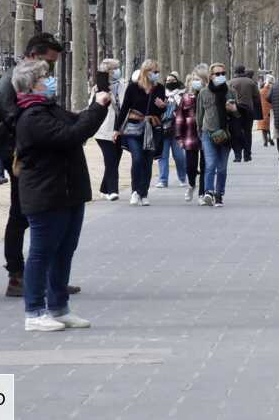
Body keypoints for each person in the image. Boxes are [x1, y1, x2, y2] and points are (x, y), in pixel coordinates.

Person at [12, 59, 111, 331]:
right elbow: (72, 134)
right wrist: (96, 106)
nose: (50, 80)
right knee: (41, 253)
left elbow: (80, 122)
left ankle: (58, 306)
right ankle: (34, 311)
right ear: (32, 85)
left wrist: (98, 98)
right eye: (45, 77)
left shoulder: (49, 109)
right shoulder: (33, 117)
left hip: (67, 192)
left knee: (64, 251)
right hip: (46, 193)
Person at [0, 33, 72, 298]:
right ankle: (17, 275)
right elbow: (15, 120)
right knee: (22, 214)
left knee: (40, 214)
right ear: (34, 55)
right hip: (20, 155)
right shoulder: (10, 82)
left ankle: (48, 274)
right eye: (48, 63)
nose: (50, 71)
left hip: (31, 153)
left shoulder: (22, 80)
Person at [115, 59, 167, 206]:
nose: (156, 75)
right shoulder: (133, 88)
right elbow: (125, 108)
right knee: (137, 158)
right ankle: (135, 191)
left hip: (152, 128)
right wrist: (117, 129)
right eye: (154, 72)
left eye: (158, 72)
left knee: (148, 161)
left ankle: (144, 193)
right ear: (146, 72)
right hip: (133, 128)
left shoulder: (159, 88)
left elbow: (161, 112)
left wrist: (163, 107)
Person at [196, 63, 240, 206]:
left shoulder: (231, 91)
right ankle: (208, 192)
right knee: (210, 164)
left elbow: (239, 114)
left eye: (223, 73)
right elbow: (199, 114)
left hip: (226, 134)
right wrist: (200, 130)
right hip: (208, 133)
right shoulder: (203, 92)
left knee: (221, 168)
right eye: (217, 74)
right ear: (211, 76)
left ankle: (219, 194)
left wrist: (233, 109)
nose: (221, 76)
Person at [91, 59, 124, 201]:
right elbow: (92, 107)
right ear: (107, 72)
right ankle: (112, 190)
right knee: (110, 160)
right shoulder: (98, 88)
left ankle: (104, 188)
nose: (117, 71)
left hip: (120, 128)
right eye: (114, 69)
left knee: (115, 159)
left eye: (117, 68)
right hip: (104, 130)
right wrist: (106, 95)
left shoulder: (123, 85)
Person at [176, 71, 203, 203]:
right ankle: (191, 184)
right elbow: (179, 118)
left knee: (206, 166)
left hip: (205, 136)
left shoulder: (206, 95)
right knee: (190, 165)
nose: (196, 82)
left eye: (199, 79)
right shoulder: (186, 97)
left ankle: (203, 193)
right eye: (194, 79)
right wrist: (179, 137)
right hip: (189, 135)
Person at [156, 73, 187, 188]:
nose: (170, 82)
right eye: (168, 80)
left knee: (179, 156)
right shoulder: (161, 94)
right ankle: (163, 180)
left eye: (173, 80)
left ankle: (182, 178)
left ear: (177, 81)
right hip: (163, 129)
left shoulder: (183, 94)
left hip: (177, 130)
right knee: (162, 156)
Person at [227, 65, 261, 162]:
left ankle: (237, 155)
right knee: (247, 132)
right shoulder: (251, 82)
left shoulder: (230, 82)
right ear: (244, 71)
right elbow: (257, 96)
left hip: (234, 109)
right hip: (248, 110)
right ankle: (247, 154)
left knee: (236, 132)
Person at [257, 76, 273, 147]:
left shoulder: (260, 91)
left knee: (263, 127)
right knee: (270, 125)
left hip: (261, 110)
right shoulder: (272, 91)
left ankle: (265, 140)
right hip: (270, 110)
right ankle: (270, 137)